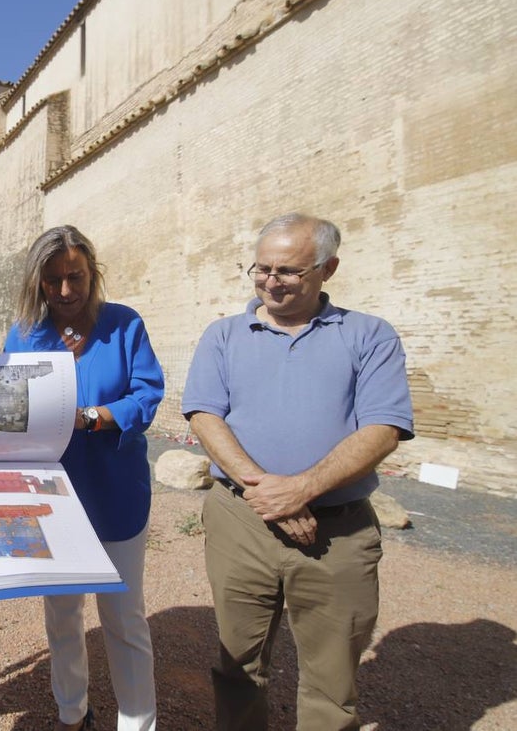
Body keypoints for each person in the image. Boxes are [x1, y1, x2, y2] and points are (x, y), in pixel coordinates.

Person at [181, 213, 414, 730]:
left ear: (327, 269)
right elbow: (203, 415)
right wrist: (267, 492)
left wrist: (302, 489)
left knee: (332, 682)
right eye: (261, 268)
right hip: (240, 522)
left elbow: (384, 427)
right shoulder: (223, 335)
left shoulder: (369, 336)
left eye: (288, 271)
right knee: (238, 665)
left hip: (338, 527)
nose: (270, 280)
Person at [4, 225, 165, 731]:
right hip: (52, 498)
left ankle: (137, 723)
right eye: (53, 280)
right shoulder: (24, 333)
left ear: (92, 273)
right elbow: (8, 402)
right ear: (39, 282)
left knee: (123, 620)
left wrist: (91, 417)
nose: (66, 291)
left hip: (115, 493)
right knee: (63, 616)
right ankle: (72, 713)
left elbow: (146, 395)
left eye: (75, 276)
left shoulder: (124, 325)